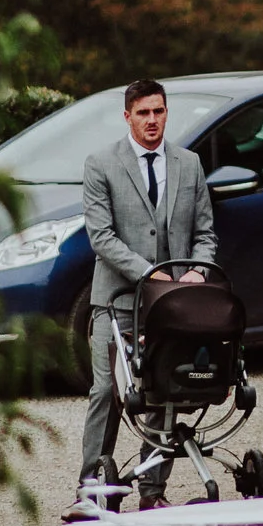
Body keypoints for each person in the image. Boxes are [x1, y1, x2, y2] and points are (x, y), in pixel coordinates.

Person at [79, 79, 216, 504]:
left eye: (158, 112)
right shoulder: (101, 164)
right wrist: (151, 272)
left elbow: (205, 232)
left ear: (166, 113)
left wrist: (197, 270)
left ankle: (152, 491)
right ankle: (91, 489)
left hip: (172, 307)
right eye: (143, 113)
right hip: (116, 303)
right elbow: (101, 237)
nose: (152, 120)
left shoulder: (188, 163)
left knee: (165, 391)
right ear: (128, 117)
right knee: (108, 392)